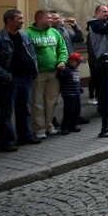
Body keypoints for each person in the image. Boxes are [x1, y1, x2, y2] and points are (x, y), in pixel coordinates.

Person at [0, 9, 40, 152]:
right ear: (9, 20)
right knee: (6, 112)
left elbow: (31, 53)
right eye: (19, 18)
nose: (22, 21)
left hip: (25, 77)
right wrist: (6, 77)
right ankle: (6, 142)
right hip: (8, 81)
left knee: (24, 109)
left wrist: (32, 70)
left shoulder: (23, 36)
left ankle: (25, 135)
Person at [26, 10, 68, 139]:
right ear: (39, 19)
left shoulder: (54, 32)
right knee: (37, 102)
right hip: (37, 74)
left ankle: (49, 125)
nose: (52, 20)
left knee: (51, 101)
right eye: (48, 18)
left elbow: (62, 49)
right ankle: (39, 129)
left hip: (53, 72)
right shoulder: (27, 34)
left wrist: (62, 61)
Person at [49, 10, 90, 125]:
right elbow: (59, 38)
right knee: (54, 95)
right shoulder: (52, 31)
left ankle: (75, 117)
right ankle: (51, 119)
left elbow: (79, 39)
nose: (58, 20)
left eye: (58, 18)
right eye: (54, 18)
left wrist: (75, 26)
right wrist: (61, 26)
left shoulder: (65, 30)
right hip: (59, 66)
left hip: (71, 64)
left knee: (75, 92)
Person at [86, 5, 108, 118]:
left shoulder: (102, 23)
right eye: (104, 12)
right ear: (97, 13)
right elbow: (106, 30)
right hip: (104, 58)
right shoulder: (94, 23)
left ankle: (105, 106)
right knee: (106, 85)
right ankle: (105, 109)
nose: (107, 13)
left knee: (106, 85)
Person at [56, 52, 85, 135]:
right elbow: (60, 77)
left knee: (77, 110)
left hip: (76, 93)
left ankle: (73, 125)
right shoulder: (66, 69)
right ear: (71, 61)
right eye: (77, 62)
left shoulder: (75, 70)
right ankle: (64, 127)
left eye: (79, 63)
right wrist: (60, 70)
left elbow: (77, 81)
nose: (78, 64)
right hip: (68, 94)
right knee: (68, 111)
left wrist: (80, 88)